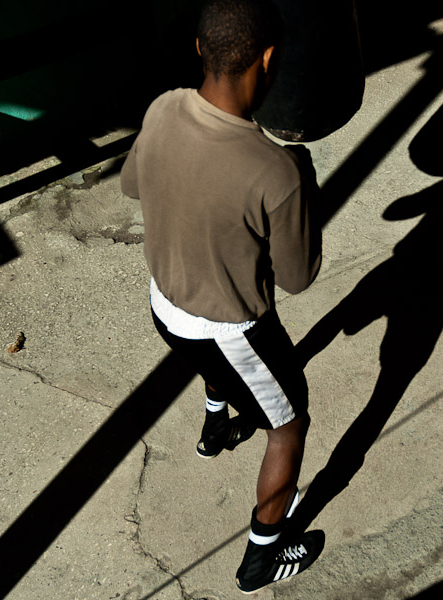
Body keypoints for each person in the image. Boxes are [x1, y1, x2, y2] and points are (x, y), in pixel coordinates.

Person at [120, 0, 324, 593]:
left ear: (200, 52)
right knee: (288, 426)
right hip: (228, 327)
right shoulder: (276, 169)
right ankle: (262, 557)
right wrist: (302, 186)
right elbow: (298, 276)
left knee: (212, 360)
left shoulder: (162, 109)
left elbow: (133, 184)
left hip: (165, 304)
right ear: (267, 59)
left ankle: (215, 429)